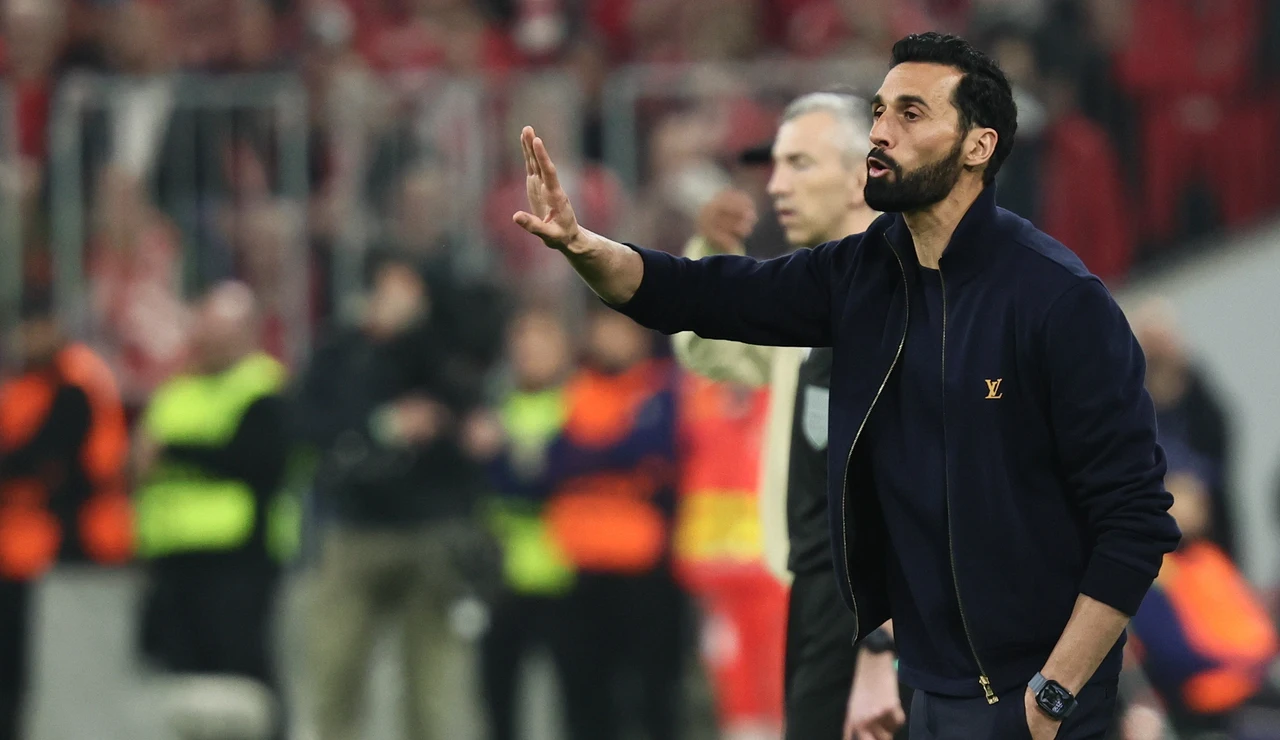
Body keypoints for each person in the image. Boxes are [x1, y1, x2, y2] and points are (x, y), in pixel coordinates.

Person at [512, 31, 1181, 740]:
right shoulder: (859, 275)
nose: (882, 132)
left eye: (912, 114)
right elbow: (698, 293)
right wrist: (585, 247)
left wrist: (1056, 693)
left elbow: (1135, 520)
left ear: (978, 147)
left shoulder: (1059, 301)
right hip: (926, 688)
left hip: (1037, 699)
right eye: (880, 111)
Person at [670, 92, 908, 740]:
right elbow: (708, 349)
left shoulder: (921, 294)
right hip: (812, 597)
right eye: (775, 166)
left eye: (800, 164)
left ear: (865, 172)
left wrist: (881, 651)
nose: (778, 185)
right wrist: (706, 254)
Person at [297, 250, 502, 740]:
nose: (394, 297)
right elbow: (306, 424)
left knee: (431, 688)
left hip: (432, 530)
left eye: (406, 286)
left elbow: (472, 416)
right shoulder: (343, 350)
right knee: (335, 675)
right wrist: (384, 424)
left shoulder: (444, 350)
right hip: (355, 529)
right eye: (387, 285)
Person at [133, 281, 294, 740]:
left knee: (243, 676)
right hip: (174, 558)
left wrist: (174, 452)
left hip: (238, 557)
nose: (207, 338)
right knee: (186, 681)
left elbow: (256, 461)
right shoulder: (176, 392)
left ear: (247, 333)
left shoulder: (263, 388)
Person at [540, 305, 688, 740]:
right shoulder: (575, 388)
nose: (609, 338)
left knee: (654, 697)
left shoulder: (664, 389)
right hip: (582, 566)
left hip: (647, 568)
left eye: (619, 328)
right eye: (601, 328)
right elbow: (555, 460)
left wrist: (592, 454)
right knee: (586, 698)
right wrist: (618, 456)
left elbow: (655, 449)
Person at [0, 295, 132, 740]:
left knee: (67, 675)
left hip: (76, 547)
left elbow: (49, 458)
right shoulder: (26, 382)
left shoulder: (76, 380)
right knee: (17, 672)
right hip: (24, 551)